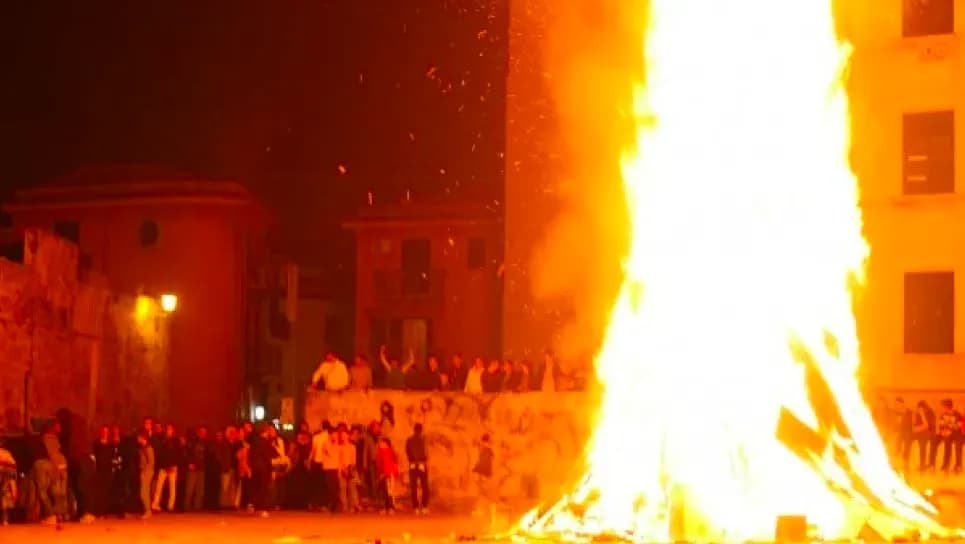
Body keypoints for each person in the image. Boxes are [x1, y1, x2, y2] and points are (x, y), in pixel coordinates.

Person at [152, 424, 182, 512]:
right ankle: (155, 504)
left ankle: (170, 506)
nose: (169, 431)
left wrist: (173, 465)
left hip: (173, 467)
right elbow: (161, 454)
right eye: (168, 429)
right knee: (159, 486)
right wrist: (164, 465)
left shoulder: (176, 441)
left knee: (172, 487)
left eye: (170, 429)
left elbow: (177, 454)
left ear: (173, 430)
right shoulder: (163, 440)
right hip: (163, 467)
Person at [247, 424, 275, 517]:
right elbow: (267, 457)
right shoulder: (265, 442)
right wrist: (271, 469)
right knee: (263, 489)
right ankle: (261, 509)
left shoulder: (254, 442)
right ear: (266, 431)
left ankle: (252, 506)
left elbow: (250, 455)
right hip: (263, 468)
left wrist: (250, 466)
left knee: (255, 488)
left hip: (255, 467)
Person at [405, 423, 429, 514]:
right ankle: (424, 506)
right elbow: (426, 452)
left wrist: (412, 459)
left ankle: (415, 507)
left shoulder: (409, 440)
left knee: (413, 486)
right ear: (421, 430)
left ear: (414, 430)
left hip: (412, 464)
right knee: (424, 486)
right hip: (422, 464)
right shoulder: (424, 439)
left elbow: (407, 451)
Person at [184, 427, 208, 511]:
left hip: (202, 468)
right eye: (201, 432)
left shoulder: (206, 443)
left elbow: (207, 456)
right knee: (190, 489)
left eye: (204, 432)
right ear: (198, 432)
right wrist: (189, 463)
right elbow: (186, 452)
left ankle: (197, 507)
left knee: (200, 490)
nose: (203, 434)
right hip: (193, 468)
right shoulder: (192, 441)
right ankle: (186, 507)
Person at [375, 437, 399, 514]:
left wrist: (386, 473)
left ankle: (390, 508)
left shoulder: (389, 451)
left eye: (382, 443)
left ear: (386, 444)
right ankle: (385, 507)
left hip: (388, 474)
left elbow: (392, 463)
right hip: (383, 473)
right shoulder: (380, 452)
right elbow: (379, 464)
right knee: (384, 491)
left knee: (389, 491)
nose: (380, 444)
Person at [912, 400, 935, 471]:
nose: (920, 410)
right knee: (920, 442)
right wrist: (920, 427)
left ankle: (923, 464)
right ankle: (922, 464)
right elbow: (914, 427)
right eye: (919, 409)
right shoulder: (917, 414)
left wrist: (922, 415)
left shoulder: (930, 413)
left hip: (929, 433)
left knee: (923, 445)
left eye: (921, 409)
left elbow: (928, 426)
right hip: (920, 433)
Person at [137, 431, 155, 519]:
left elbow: (151, 462)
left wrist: (145, 472)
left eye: (139, 437)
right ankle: (147, 510)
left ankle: (148, 510)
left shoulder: (148, 448)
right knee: (144, 492)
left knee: (144, 492)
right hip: (144, 471)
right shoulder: (142, 448)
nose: (138, 439)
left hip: (147, 472)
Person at [0, 440, 17, 526]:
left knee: (4, 496)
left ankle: (5, 519)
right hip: (6, 476)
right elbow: (13, 465)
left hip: (5, 476)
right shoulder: (6, 453)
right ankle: (5, 520)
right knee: (4, 496)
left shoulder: (6, 453)